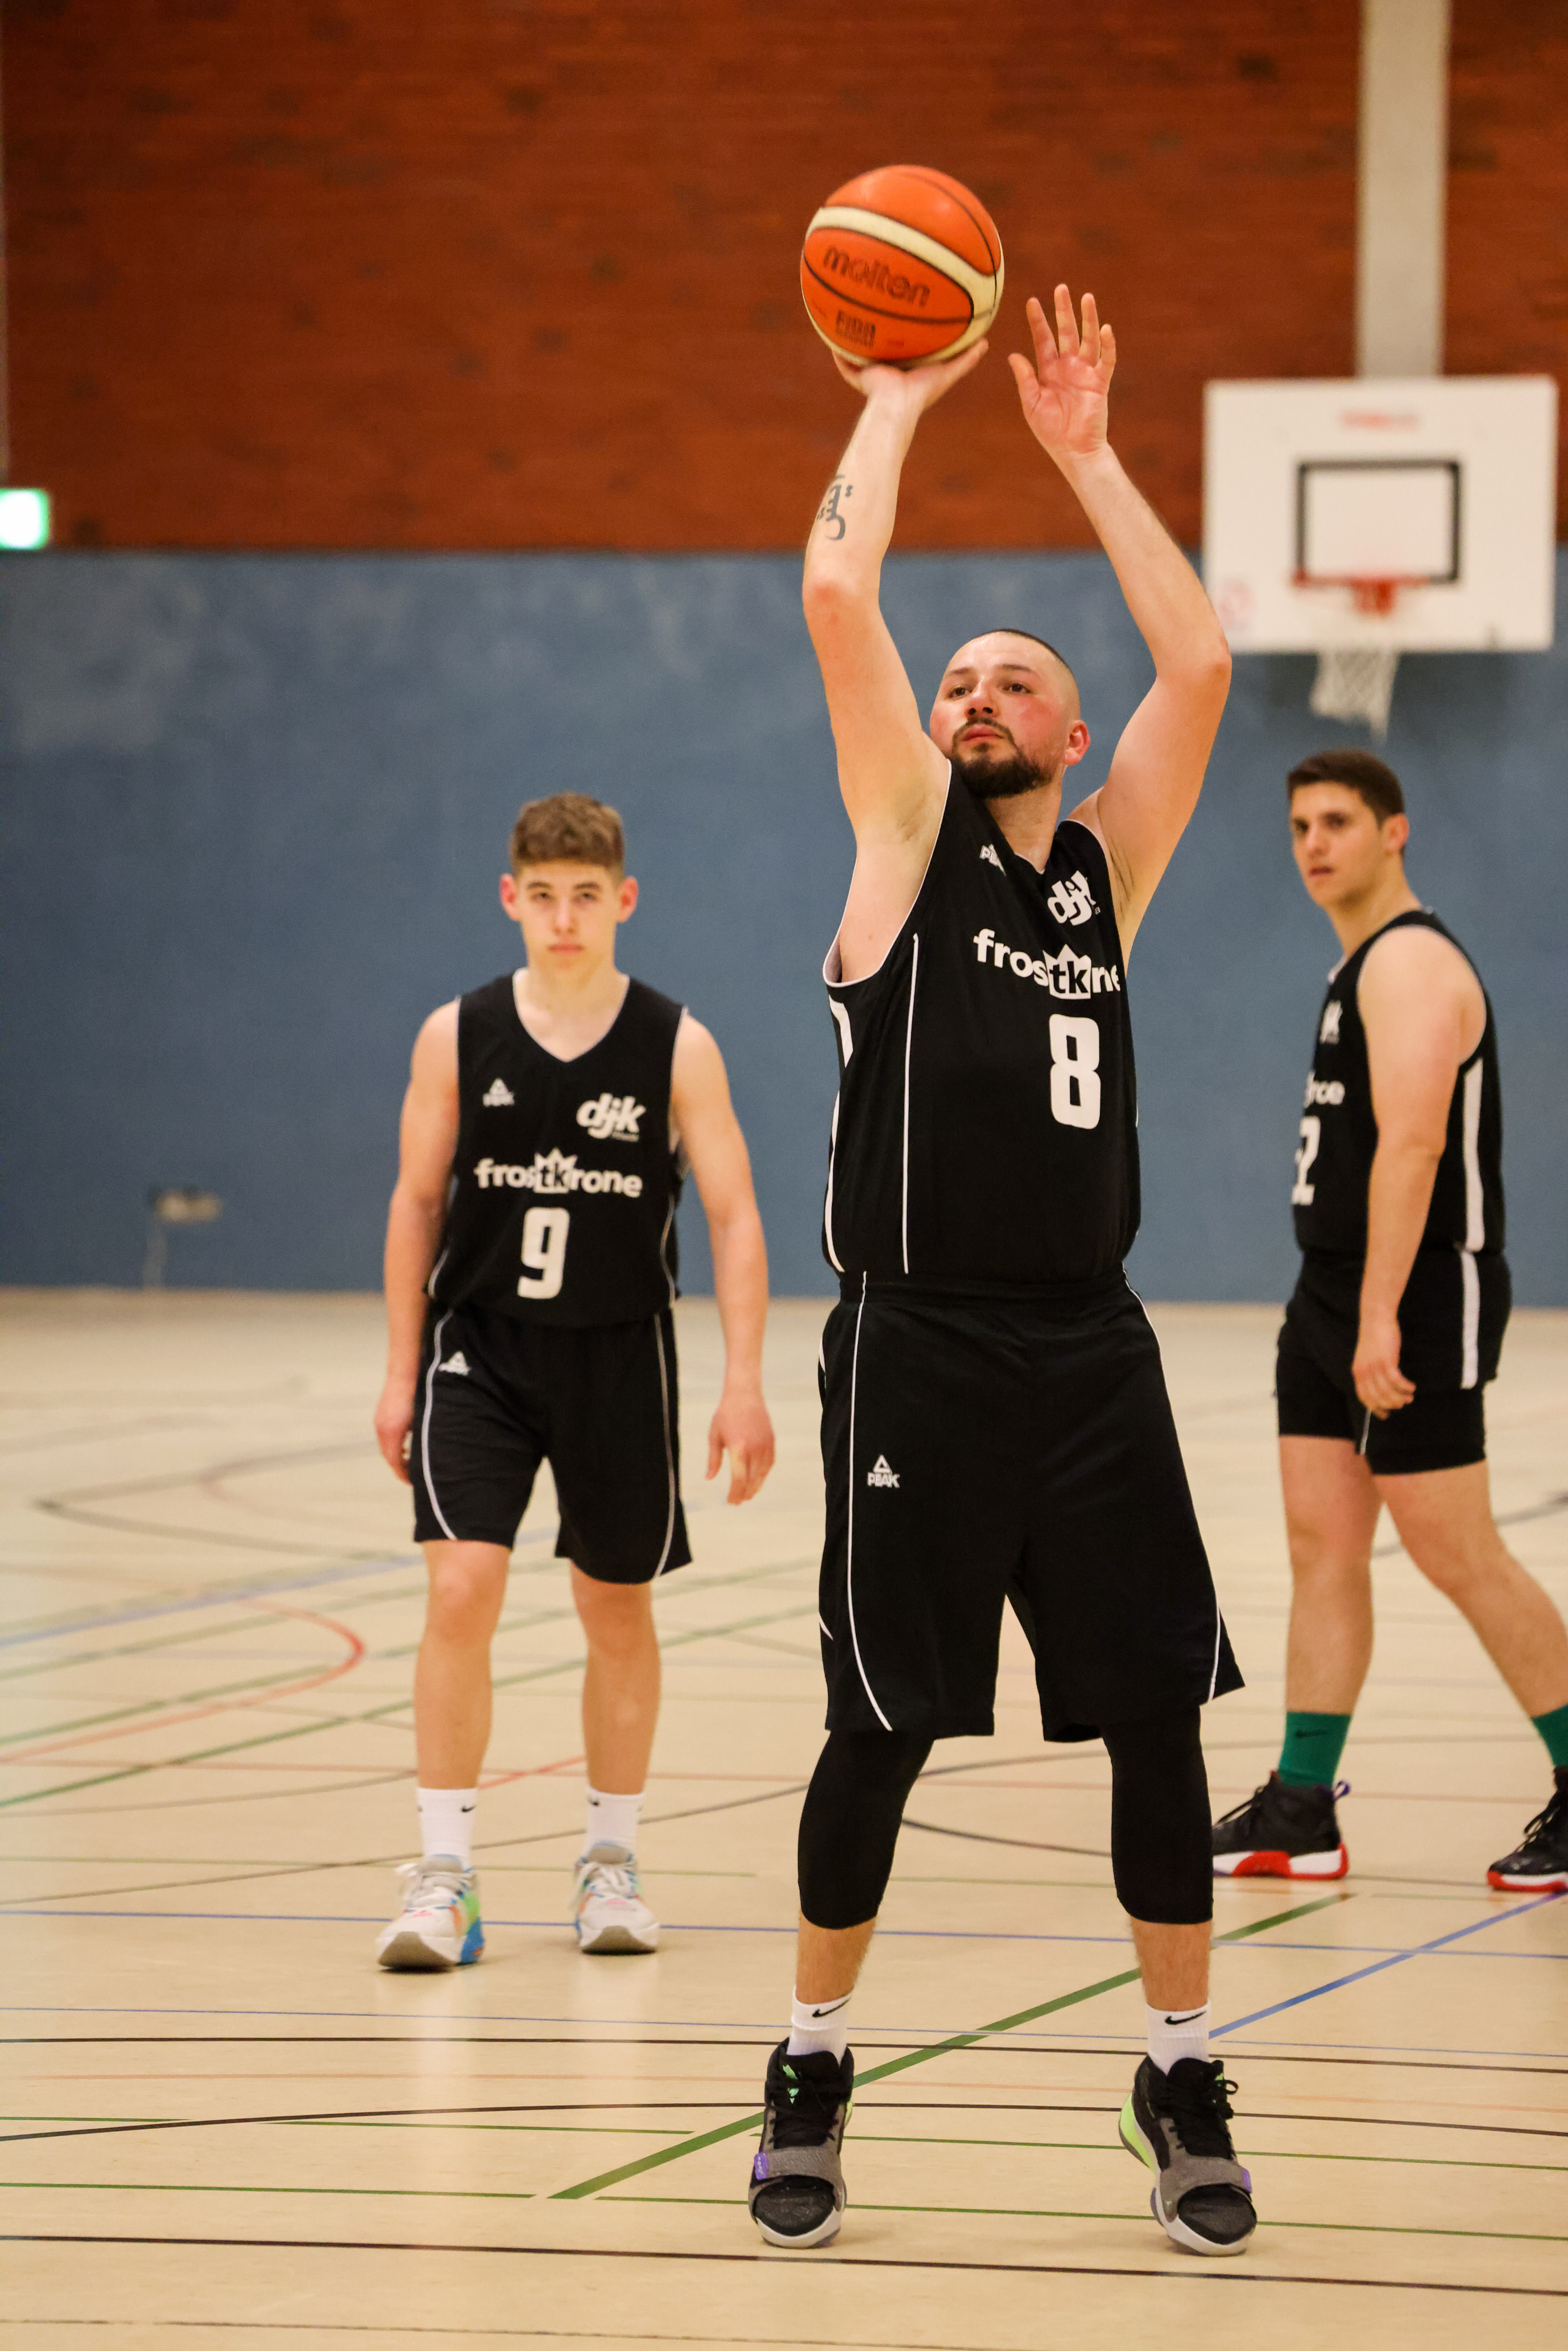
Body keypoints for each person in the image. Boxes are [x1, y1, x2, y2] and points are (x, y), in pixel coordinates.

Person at [745, 289, 1254, 2261]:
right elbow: (833, 591)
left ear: (1068, 734)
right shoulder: (902, 835)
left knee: (1156, 1721)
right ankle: (809, 2061)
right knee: (881, 1725)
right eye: (955, 680)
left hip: (1089, 1348)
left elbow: (1199, 660)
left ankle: (1180, 2068)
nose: (972, 697)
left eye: (1012, 682)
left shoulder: (1104, 874)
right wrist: (895, 399)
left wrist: (1088, 458)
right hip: (917, 1343)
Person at [372, 791, 775, 1969]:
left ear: (623, 900)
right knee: (460, 1588)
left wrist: (743, 1381)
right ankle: (444, 1875)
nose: (563, 918)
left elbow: (735, 1215)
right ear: (511, 898)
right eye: (542, 896)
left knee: (616, 1605)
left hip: (618, 1352)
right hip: (481, 1348)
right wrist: (398, 1371)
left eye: (585, 897)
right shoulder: (455, 1035)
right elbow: (415, 1203)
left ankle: (610, 1859)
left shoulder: (676, 1044)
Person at [1212, 751, 1568, 1892]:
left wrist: (1377, 1317)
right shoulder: (1356, 965)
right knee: (1321, 1543)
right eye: (1298, 826)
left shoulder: (1410, 962)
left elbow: (1413, 1149)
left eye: (1336, 821)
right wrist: (1342, 1307)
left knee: (1455, 1547)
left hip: (1410, 1292)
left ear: (1393, 831)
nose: (1313, 843)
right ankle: (1300, 1804)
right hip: (1330, 1288)